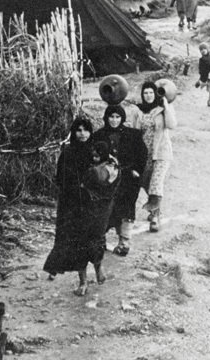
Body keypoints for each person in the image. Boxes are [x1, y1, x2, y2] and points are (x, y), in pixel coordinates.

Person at [45, 116, 120, 295]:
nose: (82, 134)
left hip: (95, 206)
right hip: (73, 204)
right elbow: (60, 179)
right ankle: (83, 282)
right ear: (74, 132)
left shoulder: (98, 150)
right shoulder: (68, 152)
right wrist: (76, 188)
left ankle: (98, 267)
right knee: (78, 243)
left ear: (90, 132)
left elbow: (112, 176)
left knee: (96, 238)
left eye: (86, 130)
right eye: (78, 130)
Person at [92, 103, 147, 256]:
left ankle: (124, 243)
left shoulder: (133, 135)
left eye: (118, 117)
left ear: (122, 118)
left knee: (127, 207)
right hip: (107, 180)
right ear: (106, 118)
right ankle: (100, 240)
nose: (114, 120)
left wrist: (137, 170)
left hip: (128, 178)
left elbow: (142, 154)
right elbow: (93, 156)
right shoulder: (98, 135)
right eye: (111, 117)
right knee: (104, 207)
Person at [137, 81, 177, 232]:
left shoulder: (162, 109)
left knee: (156, 182)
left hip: (161, 152)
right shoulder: (139, 111)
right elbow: (135, 131)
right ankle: (156, 210)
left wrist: (166, 105)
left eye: (151, 93)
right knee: (146, 182)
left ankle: (154, 218)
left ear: (155, 94)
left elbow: (172, 125)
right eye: (145, 93)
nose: (148, 96)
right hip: (144, 153)